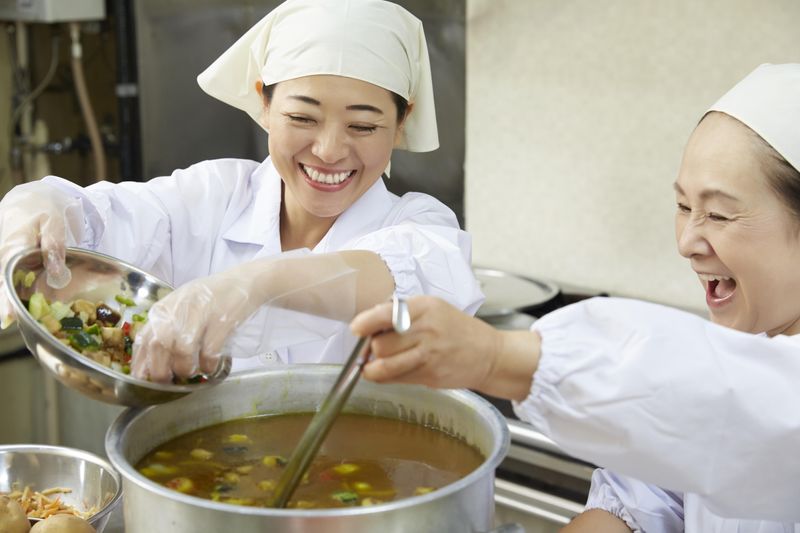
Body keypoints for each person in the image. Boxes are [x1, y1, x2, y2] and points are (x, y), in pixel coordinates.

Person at [350, 63, 800, 528]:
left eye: (720, 215)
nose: (686, 242)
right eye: (684, 206)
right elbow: (643, 500)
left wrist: (496, 356)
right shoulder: (744, 342)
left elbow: (756, 411)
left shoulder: (760, 392)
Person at [0, 0, 482, 382]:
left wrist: (256, 284)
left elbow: (405, 274)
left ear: (402, 122)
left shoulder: (420, 224)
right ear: (264, 104)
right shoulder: (215, 195)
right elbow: (96, 218)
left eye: (363, 125)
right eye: (302, 117)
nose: (329, 151)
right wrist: (39, 207)